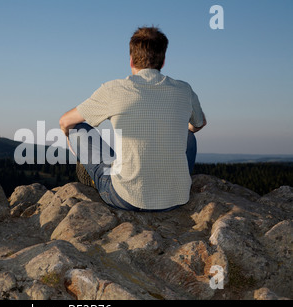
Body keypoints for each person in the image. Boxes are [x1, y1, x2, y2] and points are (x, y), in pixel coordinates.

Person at [59, 26, 206, 212]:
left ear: (131, 60)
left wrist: (68, 137)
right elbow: (199, 124)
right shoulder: (184, 90)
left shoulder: (114, 89)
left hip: (126, 198)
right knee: (189, 136)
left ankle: (95, 177)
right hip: (176, 198)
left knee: (77, 130)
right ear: (163, 61)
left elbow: (65, 121)